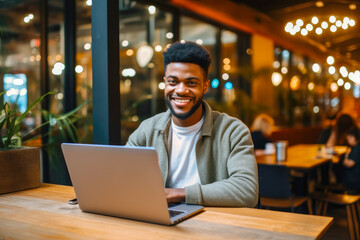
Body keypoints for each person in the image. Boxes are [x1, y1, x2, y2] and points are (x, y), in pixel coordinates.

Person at [126, 41, 258, 207]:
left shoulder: (232, 131)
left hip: (214, 224)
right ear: (165, 83)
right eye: (173, 82)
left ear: (205, 86)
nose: (181, 90)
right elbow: (125, 178)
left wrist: (175, 194)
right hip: (160, 219)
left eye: (191, 83)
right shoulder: (147, 130)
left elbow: (246, 190)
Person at [342, 127, 360, 193]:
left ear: (355, 137)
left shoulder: (356, 149)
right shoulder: (355, 147)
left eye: (349, 138)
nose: (348, 141)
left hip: (354, 180)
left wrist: (345, 159)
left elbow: (350, 164)